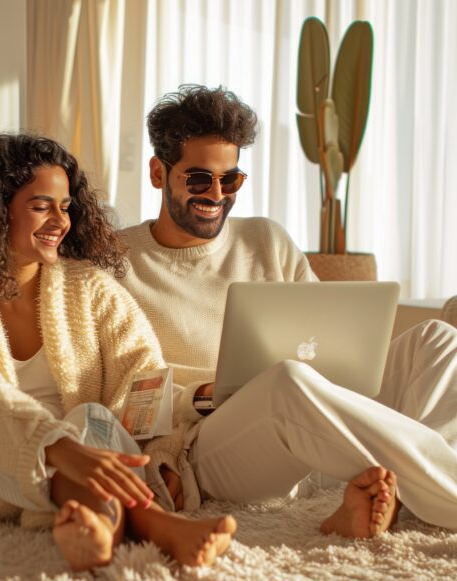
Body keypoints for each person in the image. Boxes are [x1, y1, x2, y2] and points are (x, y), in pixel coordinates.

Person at [0, 133, 237, 572]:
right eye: (41, 206)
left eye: (66, 206)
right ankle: (154, 524)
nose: (61, 220)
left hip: (77, 446)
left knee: (89, 418)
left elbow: (143, 376)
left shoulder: (90, 288)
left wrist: (165, 449)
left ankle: (93, 524)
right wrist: (52, 444)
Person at [119, 84, 457, 538]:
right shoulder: (117, 263)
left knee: (437, 339)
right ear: (158, 173)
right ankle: (438, 493)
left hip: (314, 434)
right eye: (199, 178)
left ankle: (390, 491)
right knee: (287, 380)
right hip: (208, 445)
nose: (216, 193)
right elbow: (117, 392)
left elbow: (323, 333)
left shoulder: (265, 239)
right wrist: (203, 394)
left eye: (231, 179)